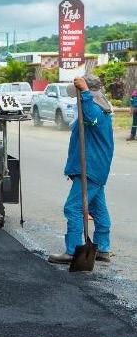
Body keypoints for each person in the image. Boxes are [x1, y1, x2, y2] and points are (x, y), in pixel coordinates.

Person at [48, 74, 114, 265]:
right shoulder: (99, 109)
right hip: (94, 168)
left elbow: (91, 118)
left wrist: (84, 92)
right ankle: (102, 248)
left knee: (73, 207)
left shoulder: (96, 111)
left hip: (91, 168)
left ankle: (72, 251)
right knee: (97, 208)